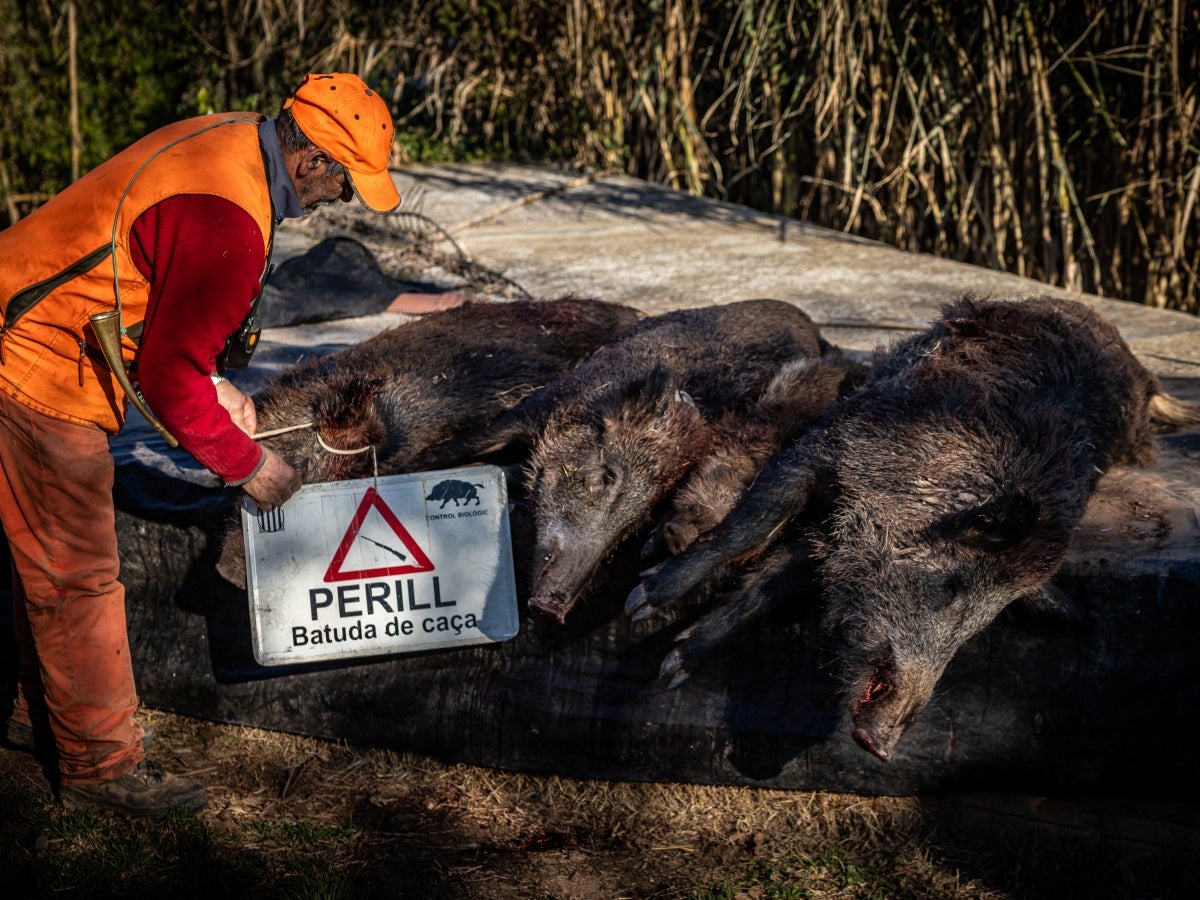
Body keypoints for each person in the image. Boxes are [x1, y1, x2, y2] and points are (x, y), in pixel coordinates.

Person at [0, 72, 401, 818]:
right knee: (77, 573)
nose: (343, 200)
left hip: (31, 322)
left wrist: (213, 380)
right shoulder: (229, 221)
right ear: (311, 159)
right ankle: (98, 767)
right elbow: (167, 376)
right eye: (347, 182)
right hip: (32, 360)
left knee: (40, 560)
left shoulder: (232, 141)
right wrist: (250, 465)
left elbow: (156, 284)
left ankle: (34, 714)